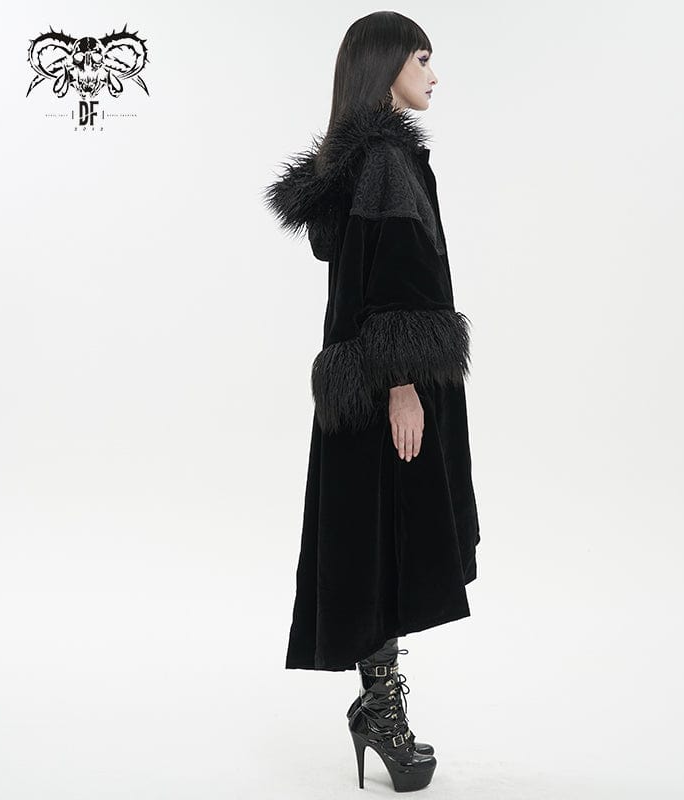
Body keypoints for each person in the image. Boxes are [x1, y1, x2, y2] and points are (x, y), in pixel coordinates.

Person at [262, 11, 480, 792]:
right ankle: (380, 714)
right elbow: (392, 278)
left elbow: (358, 275)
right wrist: (403, 385)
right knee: (390, 545)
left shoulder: (364, 160)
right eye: (421, 58)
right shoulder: (387, 159)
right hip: (390, 386)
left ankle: (378, 710)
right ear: (386, 65)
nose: (433, 74)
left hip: (359, 385)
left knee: (374, 544)